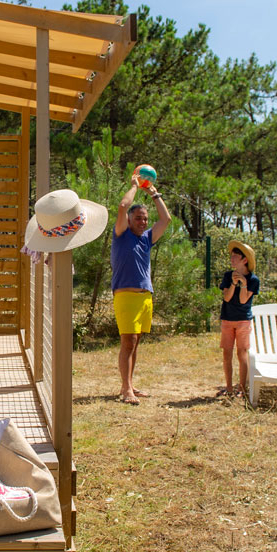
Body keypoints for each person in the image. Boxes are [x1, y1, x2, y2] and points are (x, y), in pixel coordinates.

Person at [111, 169, 172, 404]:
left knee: (134, 343)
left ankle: (130, 385)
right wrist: (135, 185)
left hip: (145, 296)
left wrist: (155, 194)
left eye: (145, 219)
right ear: (129, 221)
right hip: (125, 295)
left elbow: (165, 220)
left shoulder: (147, 238)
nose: (143, 221)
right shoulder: (121, 233)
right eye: (139, 218)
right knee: (127, 342)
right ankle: (125, 390)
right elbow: (122, 206)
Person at [218, 241, 260, 397]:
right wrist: (234, 283)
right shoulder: (228, 276)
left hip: (243, 321)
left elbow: (243, 300)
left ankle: (241, 388)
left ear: (245, 260)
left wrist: (243, 283)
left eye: (235, 256)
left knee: (242, 353)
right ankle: (229, 388)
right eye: (232, 256)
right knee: (227, 353)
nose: (232, 258)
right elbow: (227, 298)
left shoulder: (254, 280)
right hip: (227, 319)